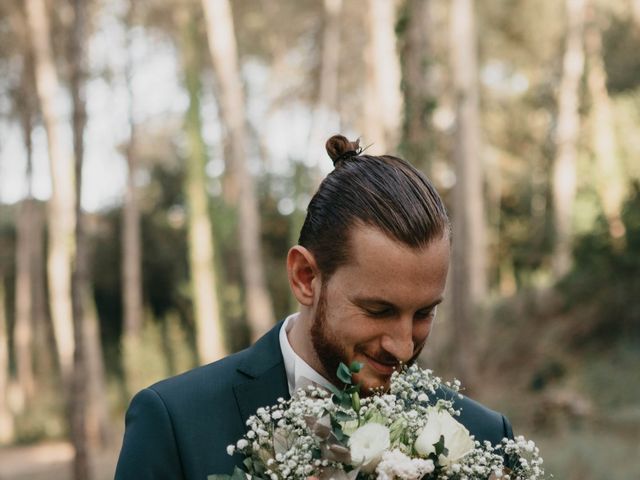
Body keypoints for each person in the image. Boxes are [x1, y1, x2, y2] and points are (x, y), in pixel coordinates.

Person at [114, 135, 513, 479]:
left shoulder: (483, 438)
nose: (404, 347)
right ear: (305, 277)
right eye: (378, 310)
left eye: (424, 313)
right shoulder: (175, 424)